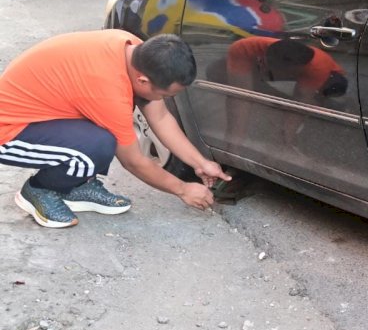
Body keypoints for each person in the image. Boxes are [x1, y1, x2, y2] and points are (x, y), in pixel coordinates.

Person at [0, 30, 231, 229]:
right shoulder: (108, 89)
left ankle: (77, 185)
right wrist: (182, 189)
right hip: (10, 131)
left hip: (46, 117)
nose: (165, 100)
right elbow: (134, 162)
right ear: (142, 80)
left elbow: (160, 117)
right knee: (101, 143)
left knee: (106, 133)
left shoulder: (134, 49)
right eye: (165, 95)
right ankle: (39, 189)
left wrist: (200, 163)